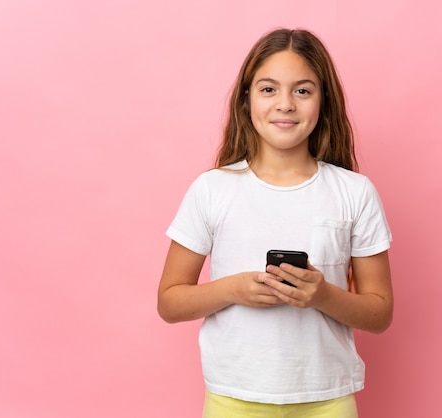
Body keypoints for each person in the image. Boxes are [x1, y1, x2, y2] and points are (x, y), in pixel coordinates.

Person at [157, 28, 393, 418]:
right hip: (234, 397)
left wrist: (323, 296)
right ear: (246, 98)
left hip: (327, 400)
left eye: (302, 90)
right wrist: (233, 289)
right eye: (269, 89)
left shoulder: (355, 192)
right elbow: (169, 301)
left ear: (323, 102)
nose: (285, 104)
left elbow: (380, 312)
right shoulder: (212, 189)